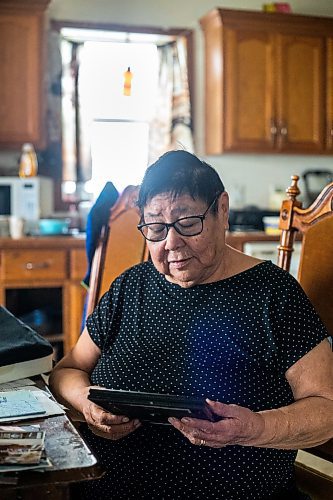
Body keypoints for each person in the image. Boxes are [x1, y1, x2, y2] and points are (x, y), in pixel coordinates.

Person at [49, 151, 333, 500]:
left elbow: (326, 409)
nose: (171, 243)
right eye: (155, 227)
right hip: (107, 485)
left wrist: (254, 429)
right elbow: (68, 369)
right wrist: (87, 405)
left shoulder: (273, 294)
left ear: (222, 210)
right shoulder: (131, 286)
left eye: (187, 223)